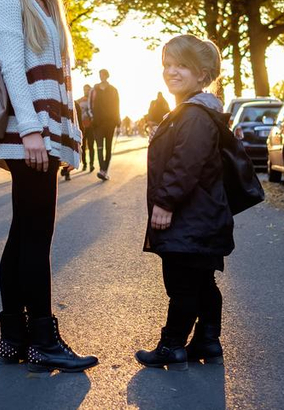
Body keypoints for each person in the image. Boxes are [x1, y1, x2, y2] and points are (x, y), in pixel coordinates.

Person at [0, 0, 96, 373]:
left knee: (23, 234)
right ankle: (44, 340)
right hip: (29, 136)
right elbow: (12, 68)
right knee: (36, 236)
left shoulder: (44, 2)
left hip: (43, 133)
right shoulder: (9, 0)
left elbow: (57, 75)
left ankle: (14, 337)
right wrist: (32, 130)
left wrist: (68, 129)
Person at [136, 34, 231, 370]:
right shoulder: (192, 112)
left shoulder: (194, 115)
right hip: (203, 217)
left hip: (192, 216)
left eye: (181, 66)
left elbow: (185, 164)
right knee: (202, 280)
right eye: (167, 65)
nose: (171, 72)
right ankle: (208, 339)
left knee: (181, 283)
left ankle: (172, 345)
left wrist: (165, 203)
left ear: (202, 74)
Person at [89, 68, 119, 181]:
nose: (101, 76)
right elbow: (89, 104)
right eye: (100, 74)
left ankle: (105, 170)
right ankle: (102, 170)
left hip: (110, 122)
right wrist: (92, 117)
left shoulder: (113, 90)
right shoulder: (94, 89)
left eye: (103, 74)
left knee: (108, 147)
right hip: (97, 123)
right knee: (100, 147)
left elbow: (117, 105)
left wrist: (118, 122)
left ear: (107, 75)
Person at [76, 84, 94, 172]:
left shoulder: (93, 101)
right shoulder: (79, 101)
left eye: (87, 89)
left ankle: (91, 164)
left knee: (91, 146)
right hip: (82, 127)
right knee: (83, 146)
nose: (86, 91)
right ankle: (85, 164)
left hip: (91, 127)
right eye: (84, 89)